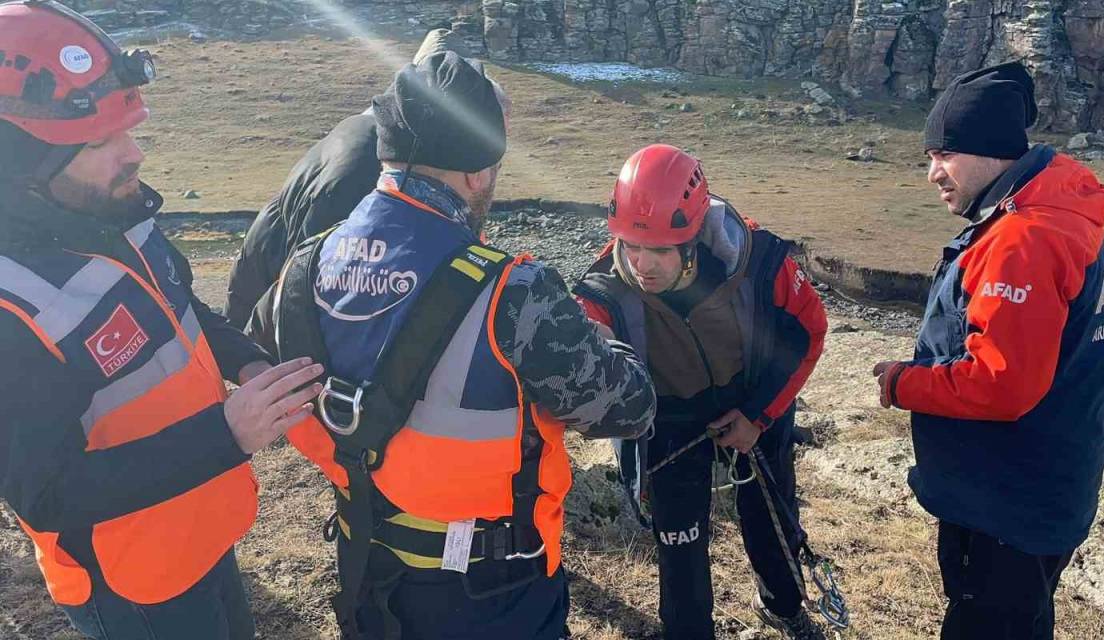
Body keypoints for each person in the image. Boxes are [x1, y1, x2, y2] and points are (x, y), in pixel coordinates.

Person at [247, 52, 656, 640]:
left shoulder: (306, 263)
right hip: (492, 593)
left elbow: (265, 352)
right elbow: (631, 409)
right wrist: (607, 345)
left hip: (364, 567)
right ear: (475, 173)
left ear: (387, 154)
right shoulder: (516, 290)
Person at [0, 2, 323, 638]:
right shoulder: (12, 306)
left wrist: (245, 360)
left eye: (130, 129)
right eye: (101, 141)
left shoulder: (115, 213)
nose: (136, 154)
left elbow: (180, 306)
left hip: (199, 523)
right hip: (131, 581)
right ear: (19, 167)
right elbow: (48, 494)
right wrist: (227, 434)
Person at [871, 61, 1104, 639]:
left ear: (990, 151)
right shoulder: (1052, 215)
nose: (933, 173)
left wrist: (903, 382)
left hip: (1009, 501)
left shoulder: (1024, 240)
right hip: (1039, 483)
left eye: (944, 154)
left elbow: (1001, 384)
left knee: (988, 621)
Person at [575, 144, 830, 639]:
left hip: (755, 398)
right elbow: (577, 329)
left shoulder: (759, 259)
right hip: (670, 421)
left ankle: (782, 606)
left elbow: (808, 332)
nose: (642, 265)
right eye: (630, 245)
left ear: (692, 242)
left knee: (771, 520)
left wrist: (757, 417)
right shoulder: (606, 284)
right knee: (680, 546)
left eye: (660, 251)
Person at [223, 28, 482, 328]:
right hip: (268, 309)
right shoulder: (369, 160)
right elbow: (315, 279)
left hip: (260, 284)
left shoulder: (372, 134)